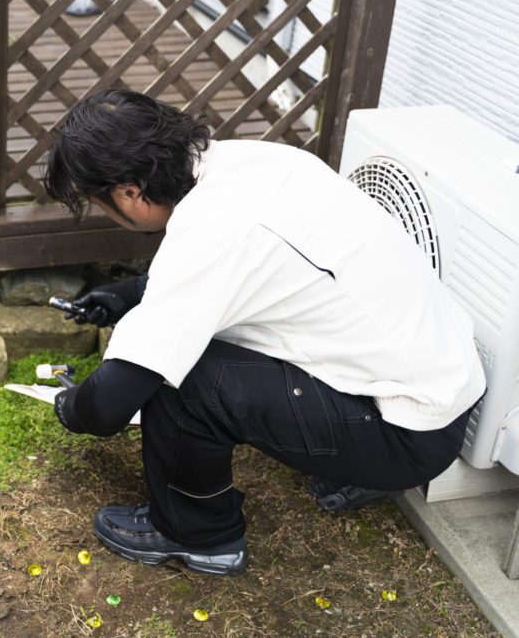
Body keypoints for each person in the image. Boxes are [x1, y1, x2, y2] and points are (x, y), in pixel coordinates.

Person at [42, 89, 486, 577]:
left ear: (130, 193)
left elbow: (109, 405)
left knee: (185, 378)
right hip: (442, 390)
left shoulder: (212, 228)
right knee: (188, 345)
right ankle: (359, 468)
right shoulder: (257, 162)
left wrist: (72, 405)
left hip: (406, 434)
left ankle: (199, 535)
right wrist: (129, 294)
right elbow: (239, 274)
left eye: (99, 203)